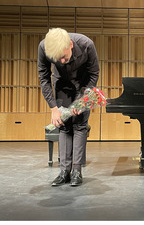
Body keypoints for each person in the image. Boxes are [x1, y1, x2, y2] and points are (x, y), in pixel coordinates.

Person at [38, 28, 99, 187]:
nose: (62, 62)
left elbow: (94, 74)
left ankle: (77, 171)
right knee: (63, 126)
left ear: (70, 45)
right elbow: (44, 78)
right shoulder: (43, 47)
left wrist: (84, 100)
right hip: (62, 85)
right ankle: (64, 171)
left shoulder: (87, 45)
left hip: (84, 86)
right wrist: (53, 108)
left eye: (64, 57)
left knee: (80, 125)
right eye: (58, 59)